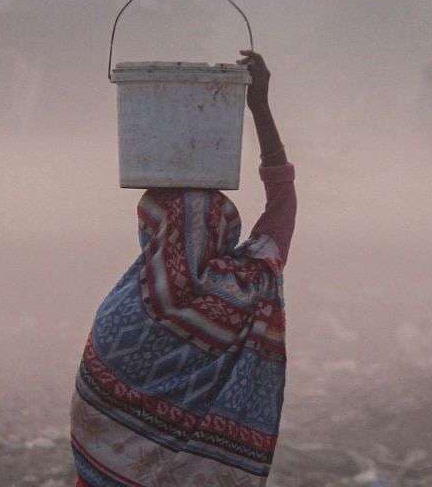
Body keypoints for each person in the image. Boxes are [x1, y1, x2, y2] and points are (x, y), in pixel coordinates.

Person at [71, 50, 297, 487]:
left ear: (152, 230)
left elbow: (93, 416)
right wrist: (260, 106)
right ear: (224, 229)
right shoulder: (248, 284)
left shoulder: (121, 312)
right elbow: (282, 201)